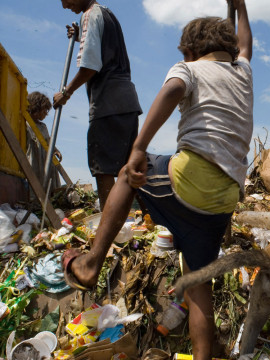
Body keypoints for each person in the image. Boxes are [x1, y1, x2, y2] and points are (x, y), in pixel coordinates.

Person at [62, 0, 253, 358]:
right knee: (199, 285)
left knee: (126, 175)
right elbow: (244, 44)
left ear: (191, 50)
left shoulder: (189, 69)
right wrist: (240, 7)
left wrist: (138, 147)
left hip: (191, 179)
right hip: (224, 199)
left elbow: (170, 91)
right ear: (227, 50)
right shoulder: (242, 71)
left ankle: (89, 264)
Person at [53, 0, 141, 211]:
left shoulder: (91, 15)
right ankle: (151, 225)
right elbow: (103, 50)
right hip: (127, 102)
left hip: (108, 103)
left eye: (65, 0)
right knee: (131, 169)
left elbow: (90, 66)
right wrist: (79, 36)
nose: (65, 6)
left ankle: (108, 234)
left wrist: (66, 92)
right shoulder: (105, 14)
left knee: (103, 170)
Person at [26, 91, 62, 194]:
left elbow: (49, 141)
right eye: (44, 110)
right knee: (34, 183)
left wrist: (55, 150)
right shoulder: (26, 123)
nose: (46, 113)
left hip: (46, 160)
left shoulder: (43, 126)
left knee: (49, 185)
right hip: (33, 159)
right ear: (36, 108)